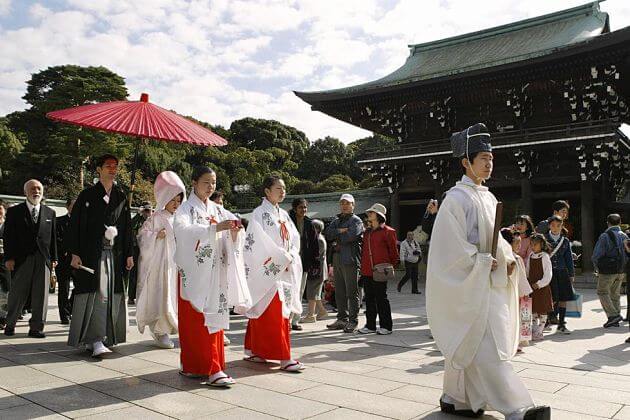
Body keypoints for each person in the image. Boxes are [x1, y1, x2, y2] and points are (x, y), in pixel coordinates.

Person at [427, 123, 548, 419]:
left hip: (489, 281)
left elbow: (498, 242)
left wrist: (507, 258)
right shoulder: (454, 199)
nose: (489, 164)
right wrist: (479, 261)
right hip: (471, 282)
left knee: (470, 340)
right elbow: (448, 247)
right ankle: (517, 408)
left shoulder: (489, 197)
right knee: (485, 343)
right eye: (483, 159)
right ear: (466, 162)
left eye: (492, 159)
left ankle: (457, 398)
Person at [174, 166, 250, 387]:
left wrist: (235, 232)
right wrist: (213, 230)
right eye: (206, 182)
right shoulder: (185, 209)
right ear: (194, 182)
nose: (210, 187)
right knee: (196, 322)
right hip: (195, 273)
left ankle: (213, 366)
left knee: (213, 319)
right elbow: (182, 232)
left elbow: (235, 226)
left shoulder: (217, 209)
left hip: (215, 272)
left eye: (214, 182)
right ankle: (196, 366)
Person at [67, 154, 133, 357]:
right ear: (98, 169)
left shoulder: (121, 197)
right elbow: (75, 225)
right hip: (91, 254)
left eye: (115, 166)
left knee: (109, 295)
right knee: (96, 294)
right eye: (108, 166)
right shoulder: (87, 195)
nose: (112, 169)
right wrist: (74, 252)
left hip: (113, 254)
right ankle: (95, 338)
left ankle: (104, 337)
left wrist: (129, 254)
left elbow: (127, 228)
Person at [243, 175, 305, 372]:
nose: (282, 191)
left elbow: (294, 238)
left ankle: (257, 350)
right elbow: (258, 242)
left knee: (279, 313)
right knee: (271, 312)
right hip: (269, 269)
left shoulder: (284, 215)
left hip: (284, 269)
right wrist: (281, 258)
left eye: (284, 188)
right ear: (267, 191)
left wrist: (291, 256)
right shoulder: (259, 213)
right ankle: (283, 357)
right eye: (278, 188)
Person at [136, 171, 185, 349]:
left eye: (179, 201)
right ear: (165, 198)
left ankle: (172, 329)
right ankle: (159, 331)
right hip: (160, 265)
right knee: (161, 296)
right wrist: (156, 235)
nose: (176, 204)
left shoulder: (180, 218)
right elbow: (142, 237)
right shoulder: (156, 217)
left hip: (176, 264)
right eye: (173, 200)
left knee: (174, 296)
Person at [3, 180, 57, 338]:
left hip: (43, 259)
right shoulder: (15, 212)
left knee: (41, 295)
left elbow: (52, 237)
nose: (36, 191)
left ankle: (36, 328)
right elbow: (8, 237)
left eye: (39, 188)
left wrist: (54, 258)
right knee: (17, 293)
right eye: (32, 189)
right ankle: (10, 324)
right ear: (25, 192)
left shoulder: (50, 213)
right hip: (21, 259)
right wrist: (9, 258)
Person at [324, 194, 364, 333]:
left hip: (350, 259)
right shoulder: (337, 220)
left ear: (353, 205)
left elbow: (351, 236)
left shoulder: (356, 220)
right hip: (337, 258)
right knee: (339, 291)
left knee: (352, 292)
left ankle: (353, 321)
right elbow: (328, 234)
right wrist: (341, 231)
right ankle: (342, 318)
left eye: (347, 203)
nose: (344, 205)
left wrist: (338, 234)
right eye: (342, 203)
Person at [358, 203, 398, 335]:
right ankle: (370, 325)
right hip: (367, 270)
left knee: (381, 298)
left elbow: (393, 252)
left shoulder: (389, 231)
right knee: (369, 298)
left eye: (372, 212)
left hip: (381, 270)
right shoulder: (367, 232)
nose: (369, 214)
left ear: (379, 215)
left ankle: (386, 326)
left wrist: (390, 266)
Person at [592, 214, 628, 328]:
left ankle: (613, 316)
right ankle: (616, 315)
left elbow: (596, 255)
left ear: (607, 222)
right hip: (622, 269)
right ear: (620, 222)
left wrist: (597, 268)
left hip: (608, 270)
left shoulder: (605, 236)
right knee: (615, 293)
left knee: (602, 292)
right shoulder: (625, 236)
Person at [288, 198, 318, 330]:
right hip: (289, 262)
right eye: (301, 207)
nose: (303, 210)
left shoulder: (309, 223)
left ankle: (295, 320)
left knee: (299, 292)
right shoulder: (287, 221)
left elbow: (314, 244)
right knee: (288, 291)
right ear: (295, 209)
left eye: (305, 207)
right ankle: (286, 320)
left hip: (303, 262)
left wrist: (315, 263)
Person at [500, 228, 532, 352]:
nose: (519, 245)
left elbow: (523, 277)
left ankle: (516, 341)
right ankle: (511, 341)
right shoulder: (508, 258)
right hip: (510, 292)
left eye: (520, 242)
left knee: (518, 318)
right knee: (510, 317)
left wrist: (525, 292)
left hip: (519, 292)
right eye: (516, 242)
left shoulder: (517, 258)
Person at [545, 215, 575, 334]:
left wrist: (571, 274)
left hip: (562, 272)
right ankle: (548, 319)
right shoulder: (544, 239)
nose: (555, 228)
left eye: (558, 225)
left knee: (563, 298)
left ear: (562, 226)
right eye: (553, 225)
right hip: (549, 272)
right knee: (552, 297)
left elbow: (569, 258)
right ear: (549, 226)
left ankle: (561, 323)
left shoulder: (565, 240)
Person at [300, 219, 329, 323]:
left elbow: (315, 256)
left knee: (311, 292)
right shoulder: (318, 238)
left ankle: (311, 315)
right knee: (315, 292)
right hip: (317, 269)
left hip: (317, 270)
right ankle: (322, 311)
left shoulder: (318, 240)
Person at [527, 234, 553, 341]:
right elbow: (527, 271)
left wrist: (540, 283)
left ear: (541, 244)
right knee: (533, 310)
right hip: (532, 288)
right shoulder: (531, 256)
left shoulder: (545, 256)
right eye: (531, 244)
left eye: (535, 244)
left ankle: (540, 330)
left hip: (542, 288)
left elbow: (548, 274)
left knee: (542, 310)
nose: (533, 247)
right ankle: (534, 330)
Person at [56, 198, 75, 325]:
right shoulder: (59, 221)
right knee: (64, 288)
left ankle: (70, 308)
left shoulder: (82, 221)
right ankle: (64, 315)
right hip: (63, 259)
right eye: (73, 205)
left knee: (79, 286)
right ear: (67, 207)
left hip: (78, 260)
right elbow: (57, 239)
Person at [128, 202, 152, 305]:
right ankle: (131, 296)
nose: (147, 212)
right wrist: (139, 214)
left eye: (149, 210)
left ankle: (144, 296)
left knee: (147, 273)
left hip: (149, 249)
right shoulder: (138, 219)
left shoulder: (153, 219)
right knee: (134, 273)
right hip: (136, 248)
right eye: (146, 210)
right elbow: (130, 226)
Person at [0, 201, 10, 329]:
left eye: (0, 209)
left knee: (5, 290)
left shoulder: (9, 225)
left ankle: (2, 317)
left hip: (5, 261)